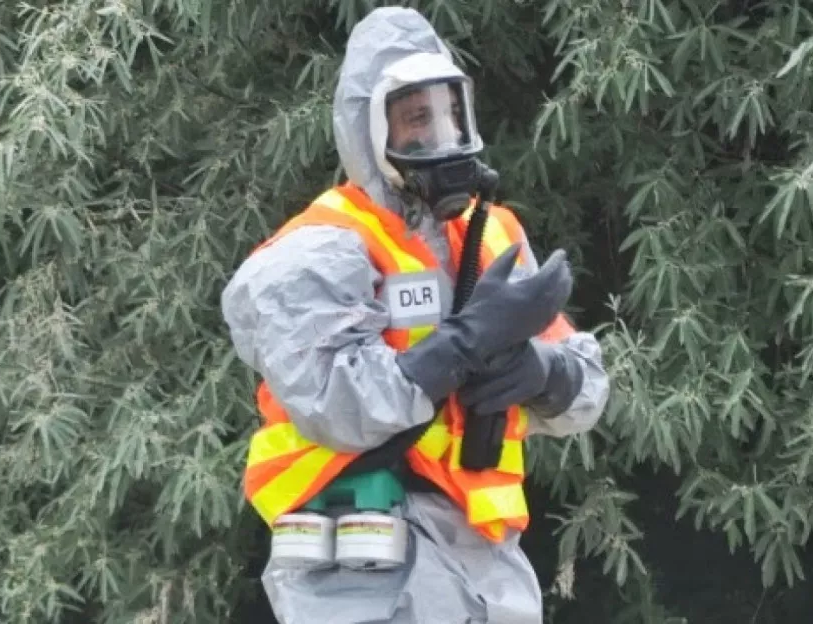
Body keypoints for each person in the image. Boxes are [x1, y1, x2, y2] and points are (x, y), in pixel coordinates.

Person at [220, 6, 610, 623]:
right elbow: (334, 401)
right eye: (415, 119)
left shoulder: (491, 237)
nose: (438, 137)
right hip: (360, 557)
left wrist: (544, 374)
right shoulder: (319, 248)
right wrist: (464, 344)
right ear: (371, 131)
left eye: (450, 113)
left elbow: (587, 385)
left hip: (484, 561)